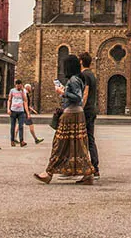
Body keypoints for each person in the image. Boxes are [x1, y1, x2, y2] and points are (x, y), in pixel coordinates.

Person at [34, 55, 94, 185]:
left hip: (71, 115)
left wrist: (62, 92)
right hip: (78, 113)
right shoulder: (80, 78)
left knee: (59, 143)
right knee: (79, 145)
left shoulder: (73, 79)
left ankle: (48, 173)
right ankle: (87, 174)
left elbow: (77, 97)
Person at [79, 52, 100, 181]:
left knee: (82, 140)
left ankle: (86, 169)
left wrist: (80, 108)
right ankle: (95, 168)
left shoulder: (84, 75)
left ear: (81, 62)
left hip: (86, 110)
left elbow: (85, 93)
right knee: (90, 139)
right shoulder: (92, 75)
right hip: (92, 109)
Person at [7, 79, 30, 147]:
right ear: (15, 85)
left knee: (21, 126)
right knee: (12, 126)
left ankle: (21, 141)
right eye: (17, 86)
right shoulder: (12, 91)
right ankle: (12, 140)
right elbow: (9, 100)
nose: (18, 87)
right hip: (13, 110)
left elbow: (25, 101)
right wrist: (8, 109)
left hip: (21, 111)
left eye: (19, 85)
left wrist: (27, 112)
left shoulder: (23, 91)